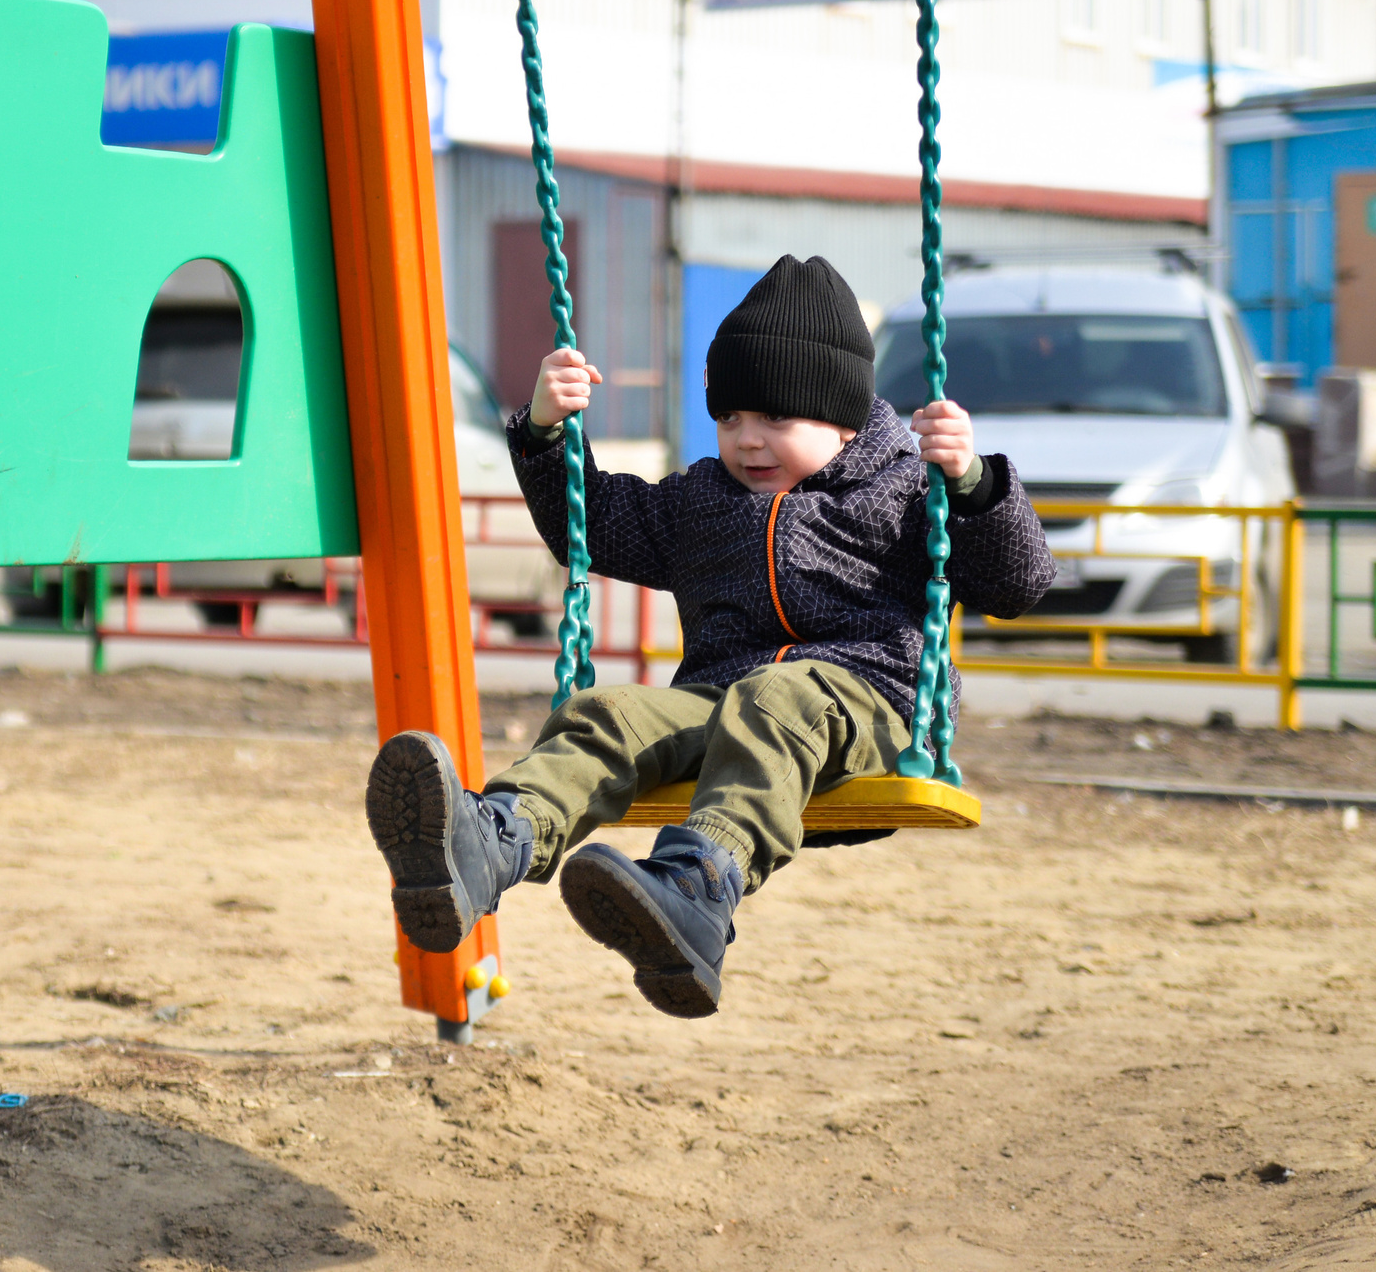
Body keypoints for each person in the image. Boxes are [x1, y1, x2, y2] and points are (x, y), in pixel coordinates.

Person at [365, 254, 1052, 1018]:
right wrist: (545, 430)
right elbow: (589, 525)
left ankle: (697, 884)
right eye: (730, 419)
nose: (747, 440)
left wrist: (974, 484)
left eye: (774, 419)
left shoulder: (903, 491)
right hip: (727, 706)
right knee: (613, 715)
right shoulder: (706, 500)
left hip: (876, 711)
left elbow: (1018, 583)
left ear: (846, 420)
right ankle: (494, 836)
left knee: (779, 696)